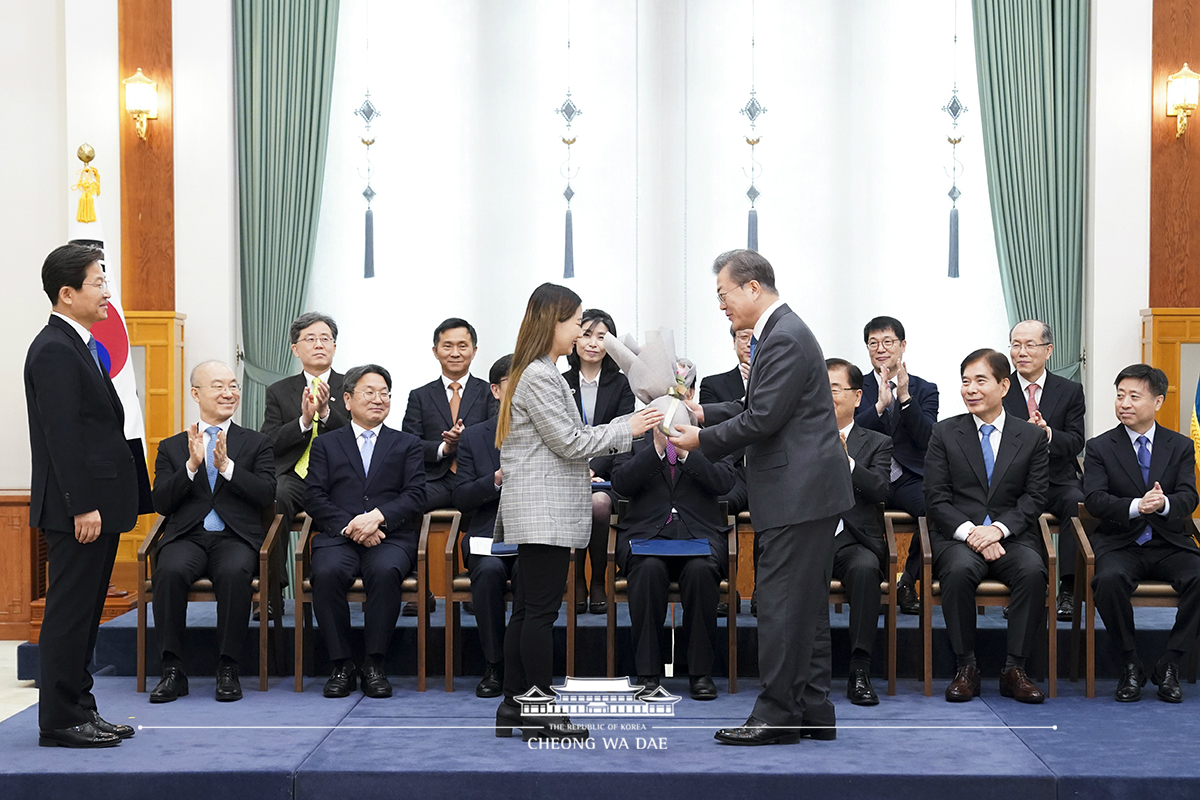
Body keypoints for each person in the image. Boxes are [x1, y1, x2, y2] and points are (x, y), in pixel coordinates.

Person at [670, 249, 854, 746]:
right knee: (807, 609)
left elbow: (763, 419)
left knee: (778, 607)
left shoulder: (785, 337)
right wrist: (699, 411)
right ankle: (813, 710)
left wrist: (697, 441)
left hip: (798, 493)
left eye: (723, 295)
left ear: (753, 288)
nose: (722, 306)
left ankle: (775, 716)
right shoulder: (782, 331)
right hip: (806, 492)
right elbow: (756, 405)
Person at [493, 283, 662, 742]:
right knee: (539, 614)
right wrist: (628, 426)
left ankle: (513, 706)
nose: (582, 333)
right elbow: (570, 441)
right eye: (575, 323)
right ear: (553, 322)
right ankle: (538, 710)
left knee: (527, 610)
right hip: (543, 511)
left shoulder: (537, 371)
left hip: (539, 508)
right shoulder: (540, 376)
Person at [25, 243, 139, 747]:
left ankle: (80, 709)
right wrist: (82, 505)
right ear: (67, 293)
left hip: (97, 503)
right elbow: (61, 434)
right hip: (80, 509)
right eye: (98, 283)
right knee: (69, 615)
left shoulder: (82, 344)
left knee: (87, 614)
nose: (108, 293)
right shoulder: (53, 348)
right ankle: (59, 720)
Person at [924, 349, 1049, 704]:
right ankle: (966, 667)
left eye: (981, 381)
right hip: (959, 536)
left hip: (1011, 535)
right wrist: (973, 533)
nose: (971, 389)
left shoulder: (1031, 437)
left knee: (1032, 571)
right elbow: (935, 498)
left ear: (1004, 385)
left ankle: (1015, 669)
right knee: (960, 570)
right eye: (965, 382)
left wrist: (998, 530)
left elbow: (1035, 496)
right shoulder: (944, 433)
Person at [149, 361, 276, 703]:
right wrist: (191, 467)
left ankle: (228, 668)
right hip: (187, 537)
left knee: (235, 573)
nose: (228, 393)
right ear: (196, 394)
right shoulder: (173, 447)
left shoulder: (256, 443)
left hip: (235, 537)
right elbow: (161, 501)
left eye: (233, 386)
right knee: (169, 572)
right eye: (218, 386)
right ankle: (173, 670)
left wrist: (227, 467)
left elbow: (267, 494)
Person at [610, 358, 735, 701]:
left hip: (699, 535)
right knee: (648, 572)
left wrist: (686, 456)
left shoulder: (711, 436)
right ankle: (648, 673)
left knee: (701, 572)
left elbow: (725, 482)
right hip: (647, 535)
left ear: (692, 396)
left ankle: (700, 673)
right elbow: (619, 484)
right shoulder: (631, 433)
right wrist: (654, 450)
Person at [304, 365, 426, 699]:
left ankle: (374, 663)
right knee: (326, 573)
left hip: (389, 536)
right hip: (339, 535)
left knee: (386, 572)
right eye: (369, 392)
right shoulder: (326, 444)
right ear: (347, 398)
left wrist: (378, 517)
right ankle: (341, 664)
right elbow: (314, 495)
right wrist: (353, 525)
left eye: (384, 393)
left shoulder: (407, 443)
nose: (378, 399)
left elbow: (416, 494)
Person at [1083, 364, 1200, 703]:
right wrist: (1137, 505)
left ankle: (1170, 663)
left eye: (1134, 396)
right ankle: (1129, 662)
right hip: (1121, 542)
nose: (1124, 404)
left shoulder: (1179, 445)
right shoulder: (1100, 447)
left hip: (1169, 542)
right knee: (1108, 580)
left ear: (1158, 401)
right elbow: (1095, 499)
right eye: (1120, 396)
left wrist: (1163, 503)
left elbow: (1189, 497)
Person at [402, 318, 497, 615]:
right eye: (448, 346)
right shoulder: (420, 395)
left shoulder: (489, 393)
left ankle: (473, 584)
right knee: (405, 503)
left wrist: (466, 441)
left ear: (474, 350)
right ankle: (417, 585)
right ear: (435, 351)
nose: (455, 352)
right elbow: (409, 444)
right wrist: (445, 447)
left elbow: (497, 434)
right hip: (439, 477)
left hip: (477, 477)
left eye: (462, 345)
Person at [260, 312, 349, 606]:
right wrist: (303, 420)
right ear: (295, 349)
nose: (319, 344)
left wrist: (325, 414)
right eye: (310, 339)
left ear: (335, 347)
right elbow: (269, 442)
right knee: (276, 493)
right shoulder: (279, 391)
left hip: (340, 476)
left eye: (325, 339)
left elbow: (357, 436)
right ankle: (274, 586)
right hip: (295, 476)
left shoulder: (353, 385)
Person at [855, 316, 939, 615]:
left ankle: (908, 581)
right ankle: (870, 584)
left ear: (902, 345)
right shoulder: (856, 386)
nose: (881, 348)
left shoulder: (925, 389)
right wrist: (878, 406)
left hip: (907, 477)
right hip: (865, 474)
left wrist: (904, 398)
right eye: (873, 343)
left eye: (888, 342)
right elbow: (849, 431)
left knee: (935, 508)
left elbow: (928, 438)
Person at [1003, 320, 1085, 620]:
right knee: (1006, 506)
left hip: (1056, 480)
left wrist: (1047, 433)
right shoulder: (1001, 387)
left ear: (1048, 350)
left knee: (1076, 503)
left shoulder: (1070, 390)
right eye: (1015, 345)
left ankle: (1067, 589)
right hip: (1013, 481)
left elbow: (1076, 441)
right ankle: (1023, 588)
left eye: (1029, 345)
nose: (1021, 352)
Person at [825, 358, 893, 706]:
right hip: (812, 535)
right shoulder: (800, 438)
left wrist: (846, 460)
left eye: (834, 389)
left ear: (857, 397)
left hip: (856, 539)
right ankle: (806, 671)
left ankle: (860, 669)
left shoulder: (877, 443)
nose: (826, 395)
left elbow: (881, 488)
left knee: (866, 569)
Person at [563, 308, 635, 613]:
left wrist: (595, 469)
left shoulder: (623, 384)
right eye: (587, 334)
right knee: (578, 501)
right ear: (575, 339)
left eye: (602, 336)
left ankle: (597, 581)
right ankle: (576, 578)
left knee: (600, 504)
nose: (593, 343)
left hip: (607, 473)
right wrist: (580, 469)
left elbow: (623, 432)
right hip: (567, 471)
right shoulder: (559, 381)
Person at [451, 354, 515, 698]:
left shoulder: (549, 431)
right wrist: (495, 480)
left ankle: (525, 663)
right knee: (489, 572)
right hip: (487, 534)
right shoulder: (476, 437)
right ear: (495, 390)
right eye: (512, 384)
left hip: (535, 533)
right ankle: (494, 664)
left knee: (532, 573)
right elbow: (461, 497)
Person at [699, 327, 753, 615]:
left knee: (772, 506)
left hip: (765, 468)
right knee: (720, 501)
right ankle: (721, 582)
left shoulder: (778, 381)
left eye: (756, 337)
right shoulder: (714, 384)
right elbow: (714, 429)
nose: (750, 343)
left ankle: (762, 591)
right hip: (732, 466)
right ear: (733, 343)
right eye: (743, 337)